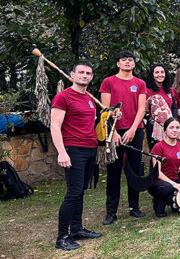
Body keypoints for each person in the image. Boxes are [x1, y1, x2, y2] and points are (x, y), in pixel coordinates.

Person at [50, 61, 102, 250]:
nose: (85, 75)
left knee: (80, 191)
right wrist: (62, 152)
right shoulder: (63, 97)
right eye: (81, 72)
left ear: (91, 77)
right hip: (73, 149)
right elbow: (55, 126)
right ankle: (62, 237)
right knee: (73, 193)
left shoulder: (89, 97)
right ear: (72, 74)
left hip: (90, 148)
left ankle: (77, 229)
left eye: (88, 73)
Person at [99, 50, 147, 225]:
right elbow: (106, 110)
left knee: (134, 170)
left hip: (135, 129)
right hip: (114, 132)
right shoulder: (108, 82)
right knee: (114, 172)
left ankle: (134, 207)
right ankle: (111, 212)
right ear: (118, 63)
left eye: (130, 60)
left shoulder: (140, 83)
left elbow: (142, 108)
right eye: (123, 60)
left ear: (134, 64)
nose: (127, 62)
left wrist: (133, 129)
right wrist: (114, 133)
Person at [143, 63, 177, 150]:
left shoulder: (170, 91)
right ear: (152, 75)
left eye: (162, 72)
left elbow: (174, 107)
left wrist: (173, 120)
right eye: (157, 72)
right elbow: (144, 110)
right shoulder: (147, 91)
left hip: (170, 126)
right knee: (156, 152)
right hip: (154, 127)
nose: (160, 75)